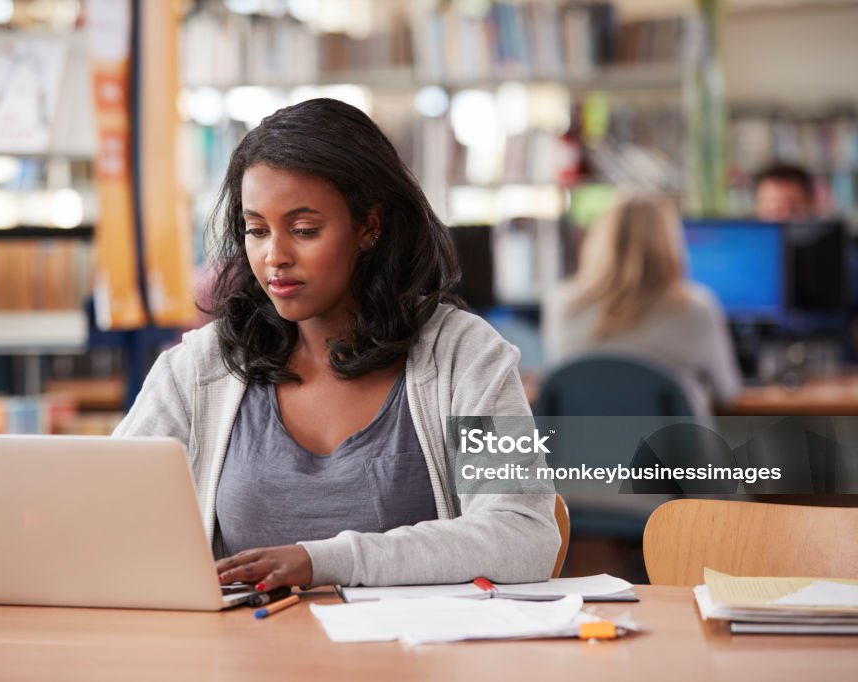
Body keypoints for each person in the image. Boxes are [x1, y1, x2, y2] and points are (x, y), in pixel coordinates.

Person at [115, 98, 558, 591]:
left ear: (369, 226)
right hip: (246, 661)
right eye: (256, 231)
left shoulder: (465, 355)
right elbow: (105, 515)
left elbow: (525, 535)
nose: (274, 257)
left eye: (304, 230)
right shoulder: (198, 370)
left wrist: (326, 560)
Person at [543, 194, 741, 416]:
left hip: (584, 448)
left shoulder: (562, 304)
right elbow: (727, 393)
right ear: (669, 241)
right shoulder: (696, 307)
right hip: (674, 450)